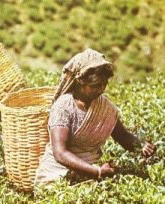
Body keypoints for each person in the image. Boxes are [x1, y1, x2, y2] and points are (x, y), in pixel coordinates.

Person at [34, 48, 156, 185]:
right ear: (80, 82)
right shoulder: (64, 107)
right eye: (95, 85)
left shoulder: (105, 107)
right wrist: (96, 172)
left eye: (104, 84)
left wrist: (141, 146)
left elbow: (122, 136)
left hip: (93, 172)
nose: (101, 89)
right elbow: (60, 153)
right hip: (57, 174)